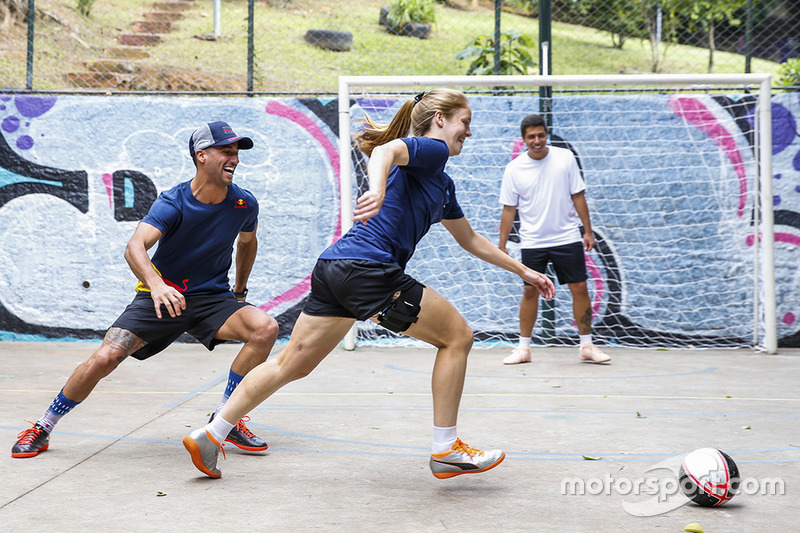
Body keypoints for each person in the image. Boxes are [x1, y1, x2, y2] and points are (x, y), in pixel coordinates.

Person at [182, 89, 556, 479]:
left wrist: (523, 271)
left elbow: (471, 240)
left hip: (335, 267)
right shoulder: (432, 149)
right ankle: (446, 448)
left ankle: (212, 433)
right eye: (465, 122)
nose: (469, 132)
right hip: (367, 268)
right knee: (458, 337)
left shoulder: (442, 185)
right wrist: (377, 190)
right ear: (440, 119)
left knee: (290, 363)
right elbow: (385, 151)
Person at [12, 121, 279, 458]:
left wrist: (239, 292)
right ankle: (43, 427)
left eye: (237, 153)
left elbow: (248, 242)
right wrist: (156, 286)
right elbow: (135, 247)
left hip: (213, 299)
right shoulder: (174, 202)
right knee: (105, 358)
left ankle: (225, 420)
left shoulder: (244, 203)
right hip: (162, 298)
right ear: (201, 156)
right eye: (226, 151)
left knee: (265, 329)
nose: (235, 159)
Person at [498, 114, 610, 365]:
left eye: (540, 135)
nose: (536, 141)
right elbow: (509, 209)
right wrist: (502, 245)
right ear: (524, 139)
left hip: (567, 236)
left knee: (579, 288)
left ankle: (587, 346)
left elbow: (578, 195)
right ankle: (523, 349)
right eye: (531, 137)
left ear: (546, 135)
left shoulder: (565, 158)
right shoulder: (514, 168)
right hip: (533, 241)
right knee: (530, 292)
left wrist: (588, 231)